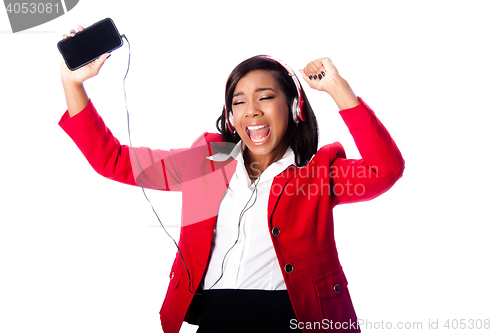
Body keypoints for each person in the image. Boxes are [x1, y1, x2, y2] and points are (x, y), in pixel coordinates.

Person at [59, 26, 404, 333]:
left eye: (265, 98)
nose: (251, 110)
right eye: (239, 102)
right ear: (230, 115)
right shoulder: (204, 164)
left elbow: (385, 169)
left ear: (295, 107)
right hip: (216, 319)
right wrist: (71, 83)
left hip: (292, 320)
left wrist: (336, 88)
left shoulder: (318, 174)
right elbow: (113, 160)